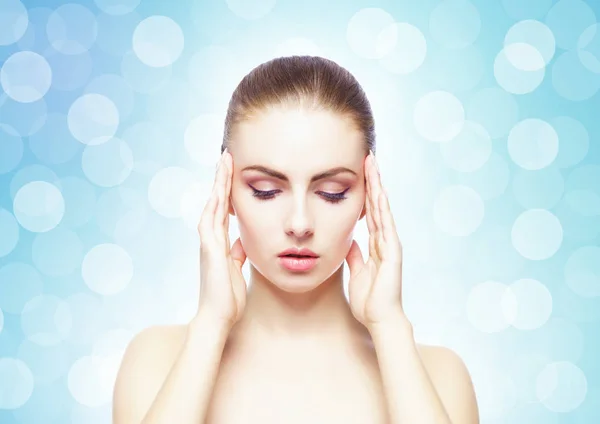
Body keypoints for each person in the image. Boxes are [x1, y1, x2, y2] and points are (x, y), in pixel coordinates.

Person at [112, 55, 479, 424]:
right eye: (266, 190)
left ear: (369, 194)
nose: (300, 224)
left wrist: (390, 328)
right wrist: (210, 325)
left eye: (332, 192)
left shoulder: (438, 375)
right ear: (226, 192)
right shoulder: (158, 361)